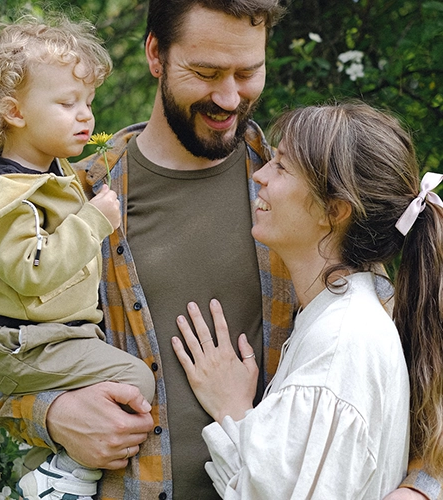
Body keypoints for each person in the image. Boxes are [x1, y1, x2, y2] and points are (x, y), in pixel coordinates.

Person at [0, 2, 441, 499]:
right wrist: (55, 416)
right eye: (206, 72)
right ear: (155, 55)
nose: (229, 97)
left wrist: (423, 489)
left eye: (247, 72)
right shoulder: (77, 199)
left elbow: (411, 371)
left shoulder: (307, 196)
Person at [172, 102, 443, 498]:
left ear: (333, 211)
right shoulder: (340, 318)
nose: (260, 176)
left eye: (281, 166)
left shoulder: (339, 345)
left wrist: (233, 410)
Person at [0, 14, 155, 500]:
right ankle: (67, 477)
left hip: (50, 338)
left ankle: (48, 479)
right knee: (135, 376)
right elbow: (32, 270)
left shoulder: (50, 175)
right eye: (67, 103)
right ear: (14, 113)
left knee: (100, 394)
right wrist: (95, 221)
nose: (86, 116)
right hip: (25, 344)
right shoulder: (0, 196)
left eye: (88, 102)